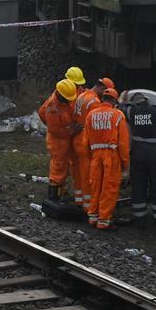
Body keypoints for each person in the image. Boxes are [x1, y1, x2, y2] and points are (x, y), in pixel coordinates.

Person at [85, 88, 129, 231]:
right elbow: (123, 143)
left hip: (95, 156)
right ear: (114, 101)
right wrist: (125, 163)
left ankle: (93, 216)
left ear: (103, 99)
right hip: (111, 155)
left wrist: (90, 156)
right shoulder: (118, 116)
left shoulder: (91, 115)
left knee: (95, 186)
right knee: (108, 188)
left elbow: (85, 141)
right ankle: (104, 220)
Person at [126, 91, 156, 230]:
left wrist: (122, 98)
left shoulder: (130, 111)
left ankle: (140, 220)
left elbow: (119, 107)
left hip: (138, 154)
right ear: (147, 100)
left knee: (138, 186)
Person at [37, 78, 77, 202]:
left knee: (64, 166)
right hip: (58, 141)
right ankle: (53, 195)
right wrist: (71, 130)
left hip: (64, 137)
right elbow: (55, 130)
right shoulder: (53, 107)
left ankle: (63, 191)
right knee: (58, 167)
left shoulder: (63, 100)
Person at [66, 66, 97, 209]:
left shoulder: (76, 96)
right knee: (85, 174)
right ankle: (87, 205)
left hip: (75, 139)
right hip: (82, 139)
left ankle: (79, 200)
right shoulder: (90, 100)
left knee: (77, 171)